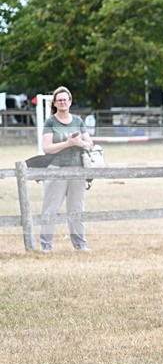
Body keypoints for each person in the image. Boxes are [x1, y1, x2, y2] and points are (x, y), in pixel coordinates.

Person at [39, 86, 93, 252]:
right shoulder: (50, 122)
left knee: (77, 208)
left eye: (65, 99)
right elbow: (47, 148)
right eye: (59, 100)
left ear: (70, 102)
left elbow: (89, 144)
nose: (62, 102)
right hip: (56, 169)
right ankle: (46, 245)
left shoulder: (78, 121)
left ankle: (80, 244)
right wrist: (67, 143)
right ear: (55, 103)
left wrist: (80, 143)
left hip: (77, 169)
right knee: (51, 208)